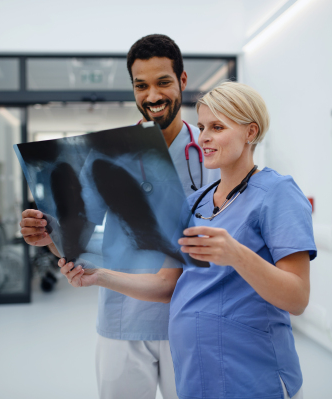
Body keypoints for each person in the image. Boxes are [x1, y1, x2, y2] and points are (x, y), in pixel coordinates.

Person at [62, 81, 316, 399]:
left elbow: (297, 298)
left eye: (217, 127)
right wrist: (99, 277)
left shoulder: (277, 193)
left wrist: (237, 254)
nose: (205, 136)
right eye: (201, 126)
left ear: (251, 133)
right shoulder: (196, 203)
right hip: (196, 376)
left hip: (252, 376)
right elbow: (168, 285)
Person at [19, 34, 219, 399]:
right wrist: (46, 236)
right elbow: (78, 243)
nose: (152, 96)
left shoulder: (209, 150)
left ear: (183, 81)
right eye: (141, 86)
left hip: (191, 319)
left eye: (163, 82)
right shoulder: (104, 155)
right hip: (124, 318)